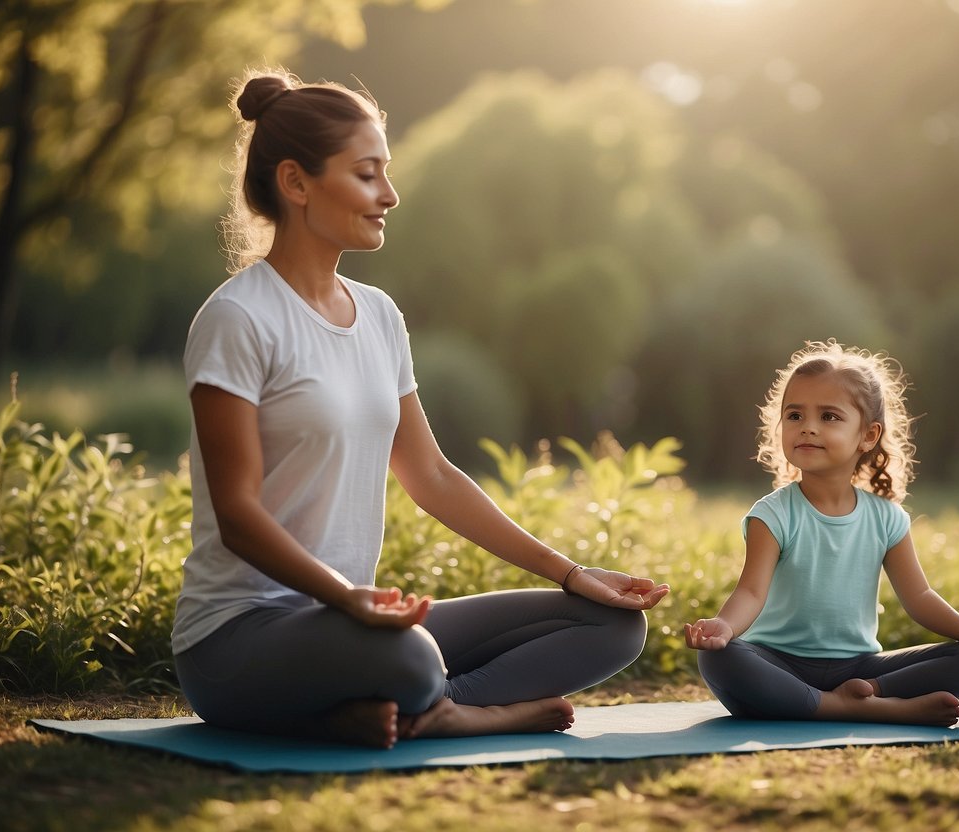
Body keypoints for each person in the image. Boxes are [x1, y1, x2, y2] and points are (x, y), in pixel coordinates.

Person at [172, 69, 669, 749]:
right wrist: (346, 598)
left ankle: (413, 711)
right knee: (409, 657)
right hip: (238, 639)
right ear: (296, 183)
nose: (390, 195)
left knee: (610, 626)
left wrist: (571, 572)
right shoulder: (238, 318)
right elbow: (237, 514)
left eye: (387, 173)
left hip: (354, 625)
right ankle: (460, 712)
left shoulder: (377, 316)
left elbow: (431, 477)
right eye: (367, 174)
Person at [684, 340, 959, 726]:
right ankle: (868, 709)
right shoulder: (773, 514)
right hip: (779, 664)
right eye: (794, 416)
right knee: (719, 656)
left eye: (829, 417)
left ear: (868, 435)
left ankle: (861, 697)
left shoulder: (887, 519)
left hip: (862, 671)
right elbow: (751, 592)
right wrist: (724, 628)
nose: (808, 427)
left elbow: (920, 597)